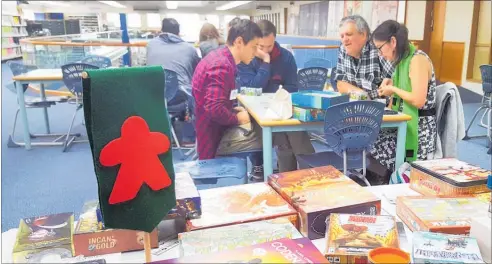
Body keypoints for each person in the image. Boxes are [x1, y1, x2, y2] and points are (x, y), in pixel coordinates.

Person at [237, 20, 315, 174]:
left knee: (293, 128)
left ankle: (303, 171)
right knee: (284, 134)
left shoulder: (286, 57)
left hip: (281, 109)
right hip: (255, 113)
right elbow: (252, 88)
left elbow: (292, 87)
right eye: (261, 47)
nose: (266, 51)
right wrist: (266, 63)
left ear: (275, 39)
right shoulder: (246, 57)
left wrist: (278, 98)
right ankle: (296, 171)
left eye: (270, 46)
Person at [370, 20, 437, 172]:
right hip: (406, 120)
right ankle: (383, 177)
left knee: (373, 137)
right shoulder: (403, 60)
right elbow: (405, 86)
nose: (380, 54)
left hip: (420, 130)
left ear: (392, 41)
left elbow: (418, 100)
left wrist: (393, 89)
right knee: (369, 132)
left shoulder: (417, 59)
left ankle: (390, 178)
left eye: (380, 48)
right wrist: (391, 82)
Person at [192, 19, 262, 162]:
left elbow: (216, 102)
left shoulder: (221, 58)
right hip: (213, 139)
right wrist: (237, 118)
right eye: (254, 47)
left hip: (210, 129)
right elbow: (214, 108)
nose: (256, 53)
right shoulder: (222, 65)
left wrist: (233, 110)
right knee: (266, 138)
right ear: (239, 42)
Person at [334, 15, 394, 100]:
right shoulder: (343, 48)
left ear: (363, 34)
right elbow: (341, 84)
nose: (344, 40)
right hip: (357, 105)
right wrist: (364, 97)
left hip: (382, 108)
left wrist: (365, 99)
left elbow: (395, 84)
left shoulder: (378, 47)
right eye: (342, 36)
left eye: (349, 34)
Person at [146, 18, 200, 99]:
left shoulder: (151, 45)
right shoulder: (189, 48)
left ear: (162, 30)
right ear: (178, 32)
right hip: (182, 99)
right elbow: (197, 72)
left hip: (154, 97)